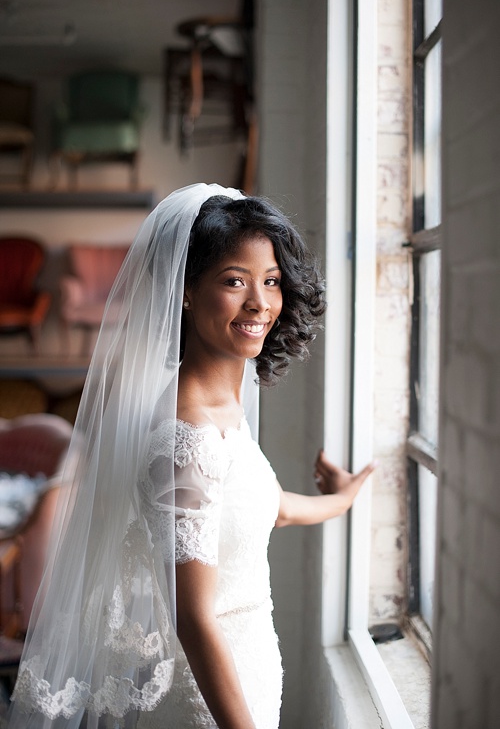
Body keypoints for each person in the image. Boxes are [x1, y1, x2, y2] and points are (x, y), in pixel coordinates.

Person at [7, 183, 375, 729]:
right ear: (184, 290)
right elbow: (194, 618)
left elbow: (266, 508)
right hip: (211, 703)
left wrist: (341, 499)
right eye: (235, 281)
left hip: (248, 673)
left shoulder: (224, 406)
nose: (260, 302)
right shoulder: (187, 437)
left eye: (271, 281)